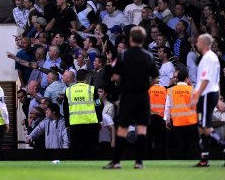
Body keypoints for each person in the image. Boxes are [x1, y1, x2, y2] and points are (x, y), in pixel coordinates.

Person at [104, 26, 158, 170]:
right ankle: (139, 162)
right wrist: (145, 86)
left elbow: (115, 76)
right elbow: (155, 78)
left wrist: (124, 84)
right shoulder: (149, 56)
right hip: (143, 97)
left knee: (122, 129)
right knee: (141, 129)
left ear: (130, 39)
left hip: (127, 96)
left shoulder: (123, 55)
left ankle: (116, 162)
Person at [190, 33, 225, 167]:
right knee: (201, 127)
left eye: (198, 42)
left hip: (205, 95)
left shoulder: (208, 59)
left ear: (203, 43)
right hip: (210, 94)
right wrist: (217, 100)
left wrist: (196, 96)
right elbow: (215, 80)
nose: (196, 44)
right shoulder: (211, 58)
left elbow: (206, 80)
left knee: (205, 127)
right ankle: (204, 158)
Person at [64, 69, 99, 159]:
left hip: (75, 123)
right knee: (91, 148)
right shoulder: (92, 89)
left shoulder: (68, 91)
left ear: (76, 78)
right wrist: (100, 120)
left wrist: (67, 124)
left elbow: (65, 109)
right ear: (87, 78)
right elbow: (98, 105)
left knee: (76, 148)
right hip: (90, 123)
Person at [164, 69, 198, 159]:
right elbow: (197, 105)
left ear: (177, 79)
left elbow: (168, 106)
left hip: (177, 122)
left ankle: (181, 162)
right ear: (187, 78)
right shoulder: (192, 89)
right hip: (191, 121)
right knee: (192, 145)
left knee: (181, 145)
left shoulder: (170, 90)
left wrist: (167, 120)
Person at [146, 77, 166, 159]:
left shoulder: (149, 90)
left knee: (148, 139)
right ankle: (159, 157)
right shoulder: (164, 90)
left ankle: (147, 157)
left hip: (150, 117)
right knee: (159, 140)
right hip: (160, 117)